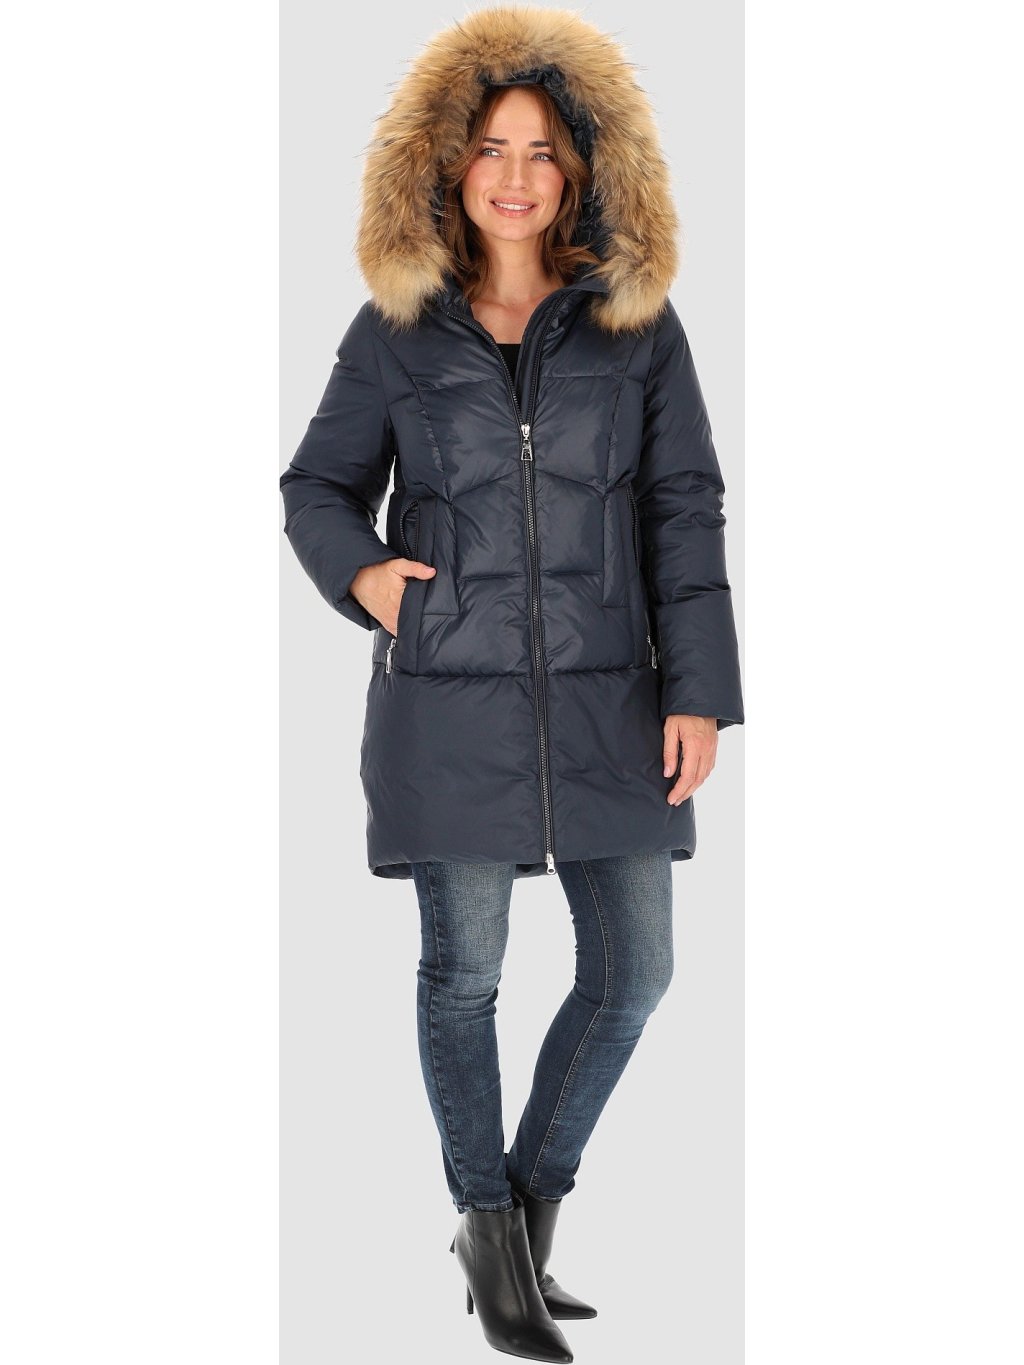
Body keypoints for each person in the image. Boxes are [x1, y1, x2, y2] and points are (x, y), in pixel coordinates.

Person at [280, 8, 744, 1361]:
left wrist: (699, 692)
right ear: (449, 164)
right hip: (450, 705)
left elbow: (684, 508)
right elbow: (316, 488)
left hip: (615, 702)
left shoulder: (636, 328)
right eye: (492, 147)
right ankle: (491, 1238)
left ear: (584, 168)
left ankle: (520, 1217)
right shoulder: (395, 331)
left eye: (544, 150)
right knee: (464, 975)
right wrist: (368, 579)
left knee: (636, 971)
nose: (518, 174)